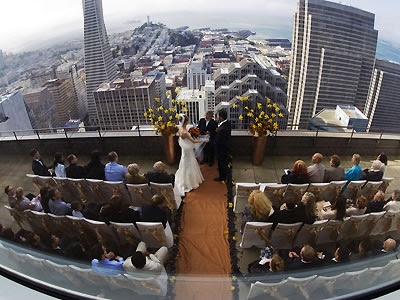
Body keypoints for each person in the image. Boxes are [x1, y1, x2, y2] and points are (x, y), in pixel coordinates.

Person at [174, 114, 204, 196]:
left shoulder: (180, 130)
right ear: (186, 121)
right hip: (188, 150)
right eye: (188, 119)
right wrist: (203, 140)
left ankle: (185, 179)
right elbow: (193, 142)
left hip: (184, 150)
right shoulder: (185, 132)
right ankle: (190, 181)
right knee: (190, 163)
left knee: (185, 163)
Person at [214, 109, 232, 182]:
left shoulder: (222, 129)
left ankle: (222, 177)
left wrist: (209, 141)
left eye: (217, 116)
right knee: (224, 162)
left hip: (222, 149)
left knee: (221, 163)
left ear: (221, 118)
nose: (217, 117)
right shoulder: (227, 123)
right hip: (226, 147)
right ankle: (224, 174)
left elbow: (218, 141)